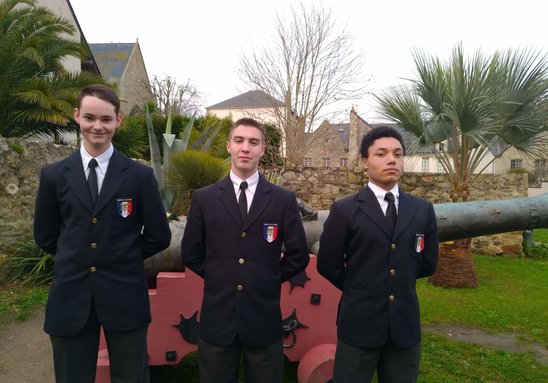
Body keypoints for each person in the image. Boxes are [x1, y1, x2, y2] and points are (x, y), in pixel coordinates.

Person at [34, 84, 171, 383]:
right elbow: (45, 235)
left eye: (106, 119)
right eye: (90, 117)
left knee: (131, 377)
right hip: (71, 296)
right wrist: (78, 256)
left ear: (118, 121)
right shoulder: (54, 176)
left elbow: (160, 235)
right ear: (76, 116)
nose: (98, 126)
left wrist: (121, 256)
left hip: (124, 295)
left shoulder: (139, 176)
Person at [181, 117, 309, 383]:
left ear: (263, 149)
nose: (246, 148)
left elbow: (298, 256)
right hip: (218, 319)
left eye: (254, 142)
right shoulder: (204, 198)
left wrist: (267, 278)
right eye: (239, 140)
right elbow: (191, 253)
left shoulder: (283, 200)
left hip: (263, 320)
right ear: (229, 146)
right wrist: (220, 277)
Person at [317, 125, 438, 383]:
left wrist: (397, 280)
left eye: (397, 153)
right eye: (381, 154)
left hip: (404, 327)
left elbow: (427, 263)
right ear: (365, 161)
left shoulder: (422, 210)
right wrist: (360, 286)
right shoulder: (345, 210)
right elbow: (328, 264)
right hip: (359, 324)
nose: (391, 159)